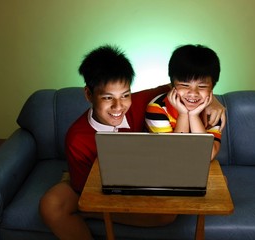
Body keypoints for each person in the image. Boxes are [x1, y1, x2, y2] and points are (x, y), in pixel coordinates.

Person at [39, 45, 226, 240]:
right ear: (89, 95)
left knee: (166, 214)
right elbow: (84, 190)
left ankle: (91, 212)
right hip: (100, 185)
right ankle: (90, 212)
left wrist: (214, 103)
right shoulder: (76, 138)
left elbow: (182, 88)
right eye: (107, 98)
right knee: (51, 204)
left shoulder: (142, 101)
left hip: (152, 177)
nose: (118, 107)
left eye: (125, 95)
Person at [145, 44, 222, 160]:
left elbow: (207, 155)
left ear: (212, 88)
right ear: (172, 85)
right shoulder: (157, 108)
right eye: (185, 85)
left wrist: (194, 116)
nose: (193, 93)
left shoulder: (214, 111)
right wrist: (183, 115)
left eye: (202, 86)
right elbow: (175, 155)